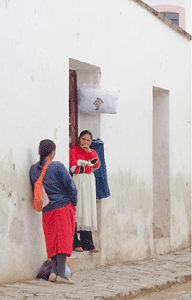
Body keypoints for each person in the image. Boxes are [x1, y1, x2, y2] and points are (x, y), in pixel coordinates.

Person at [30, 139, 77, 284]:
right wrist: (74, 203)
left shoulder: (33, 169)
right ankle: (61, 274)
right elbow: (71, 187)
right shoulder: (57, 166)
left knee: (52, 241)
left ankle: (53, 273)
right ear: (52, 152)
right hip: (62, 207)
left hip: (47, 210)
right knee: (63, 240)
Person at [70, 130, 100, 253]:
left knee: (87, 209)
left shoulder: (92, 152)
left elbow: (97, 165)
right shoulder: (73, 151)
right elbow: (74, 168)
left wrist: (89, 154)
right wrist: (89, 169)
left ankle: (88, 243)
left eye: (88, 140)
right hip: (78, 182)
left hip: (88, 184)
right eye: (83, 139)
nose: (85, 142)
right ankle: (75, 242)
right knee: (79, 209)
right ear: (79, 139)